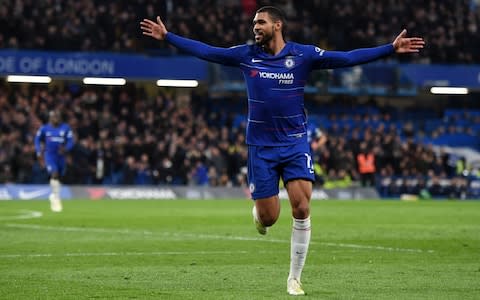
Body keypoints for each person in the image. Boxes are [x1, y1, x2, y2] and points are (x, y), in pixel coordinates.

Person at [141, 6, 424, 296]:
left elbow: (347, 58)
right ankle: (259, 215)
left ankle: (294, 278)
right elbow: (208, 51)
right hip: (261, 147)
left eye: (260, 22)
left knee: (301, 207)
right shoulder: (245, 55)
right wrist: (169, 37)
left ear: (278, 25)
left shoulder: (304, 55)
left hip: (294, 143)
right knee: (269, 218)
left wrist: (390, 48)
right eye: (254, 23)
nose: (255, 27)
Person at [34, 110, 75, 212]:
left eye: (58, 116)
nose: (56, 118)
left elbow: (71, 141)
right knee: (54, 174)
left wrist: (66, 148)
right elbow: (37, 139)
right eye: (54, 117)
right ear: (50, 118)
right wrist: (39, 151)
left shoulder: (66, 128)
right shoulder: (44, 128)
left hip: (61, 156)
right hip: (50, 155)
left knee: (60, 176)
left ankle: (54, 194)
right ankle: (55, 197)